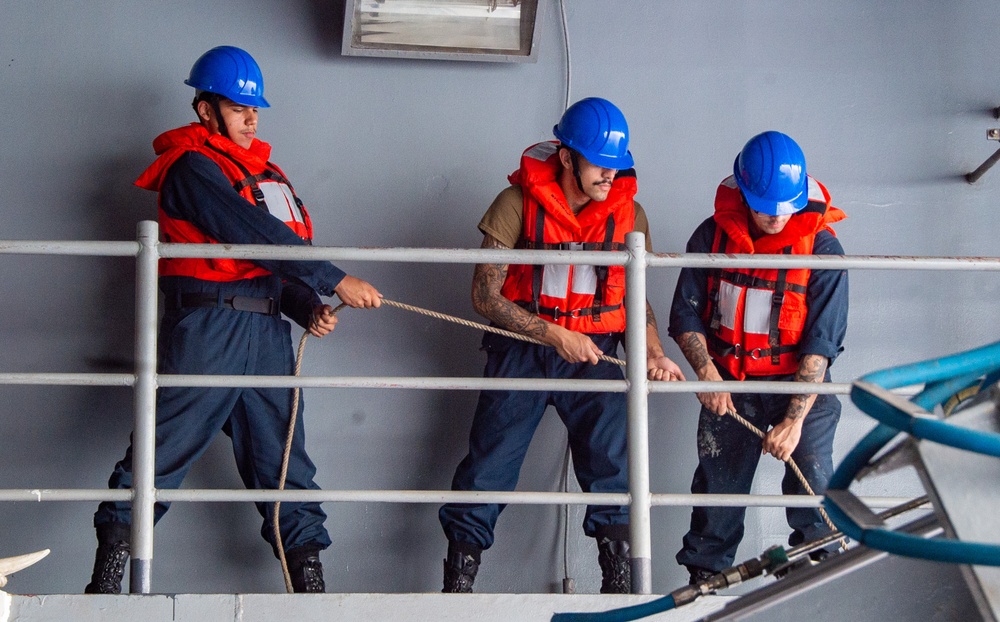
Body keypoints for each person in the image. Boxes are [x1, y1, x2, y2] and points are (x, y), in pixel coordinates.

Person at [85, 46, 381, 594]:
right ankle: (105, 590)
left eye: (255, 110)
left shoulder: (265, 172)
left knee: (287, 464)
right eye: (239, 108)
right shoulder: (191, 169)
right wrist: (334, 279)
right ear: (205, 111)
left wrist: (304, 306)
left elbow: (268, 263)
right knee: (160, 452)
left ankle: (310, 593)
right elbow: (249, 233)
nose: (251, 119)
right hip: (208, 331)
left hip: (267, 332)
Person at [438, 97, 685, 594]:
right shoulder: (515, 203)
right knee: (489, 466)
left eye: (617, 165)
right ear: (567, 157)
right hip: (522, 350)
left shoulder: (630, 214)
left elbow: (635, 298)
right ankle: (458, 591)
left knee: (613, 466)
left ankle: (618, 587)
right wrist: (554, 335)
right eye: (598, 162)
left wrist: (654, 352)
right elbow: (484, 294)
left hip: (595, 355)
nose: (609, 175)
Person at [668, 131, 848, 584]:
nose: (776, 217)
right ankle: (703, 583)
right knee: (718, 488)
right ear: (744, 193)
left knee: (813, 476)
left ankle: (821, 574)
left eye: (786, 206)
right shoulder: (711, 236)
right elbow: (685, 315)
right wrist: (708, 376)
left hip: (799, 384)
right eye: (765, 206)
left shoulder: (823, 250)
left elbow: (822, 343)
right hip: (730, 382)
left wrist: (795, 419)